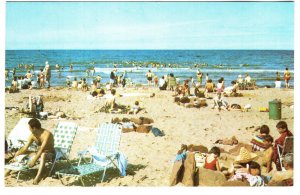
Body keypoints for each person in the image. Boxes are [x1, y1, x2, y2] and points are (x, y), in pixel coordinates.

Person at [5, 118, 55, 185]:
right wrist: (15, 156)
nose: (29, 129)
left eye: (29, 127)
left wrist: (34, 161)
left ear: (34, 128)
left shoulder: (47, 134)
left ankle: (38, 177)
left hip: (49, 153)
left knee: (43, 155)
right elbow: (25, 148)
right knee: (19, 152)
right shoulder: (32, 136)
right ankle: (8, 170)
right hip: (38, 153)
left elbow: (42, 149)